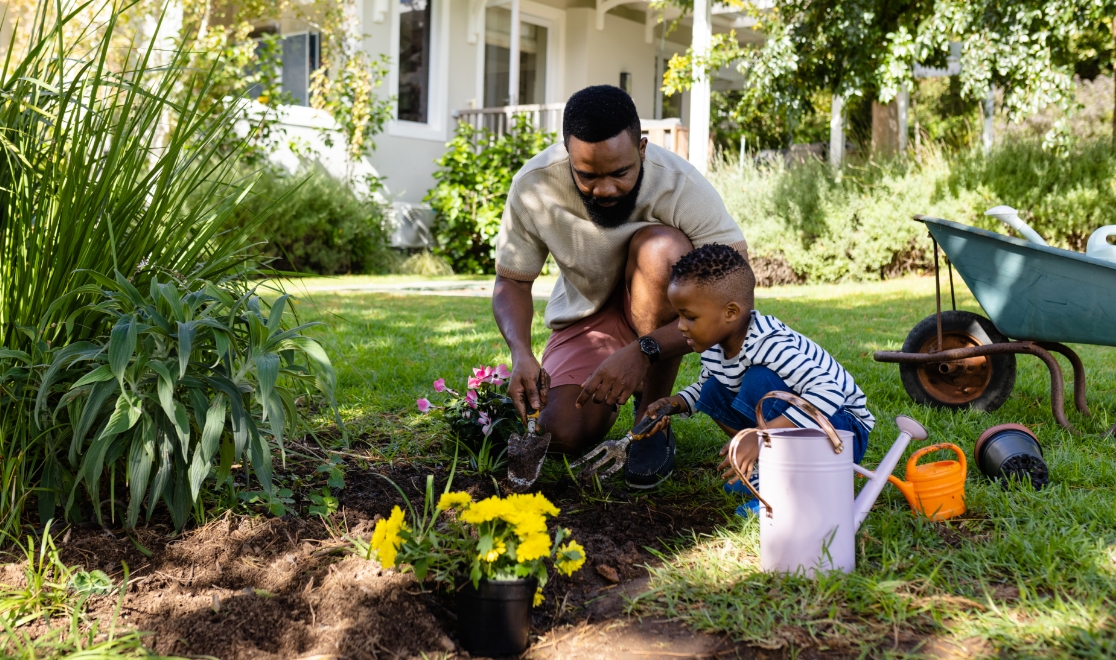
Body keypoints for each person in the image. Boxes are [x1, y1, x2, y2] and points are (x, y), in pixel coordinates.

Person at [492, 85, 748, 489]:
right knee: (563, 433)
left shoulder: (679, 183)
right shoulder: (535, 185)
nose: (605, 189)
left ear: (642, 150)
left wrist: (645, 350)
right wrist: (521, 353)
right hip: (587, 316)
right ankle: (609, 382)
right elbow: (512, 281)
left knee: (663, 248)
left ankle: (651, 419)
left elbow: (735, 288)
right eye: (588, 175)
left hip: (660, 300)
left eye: (620, 173)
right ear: (567, 155)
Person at [642, 244, 875, 515]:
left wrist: (762, 436)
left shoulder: (769, 343)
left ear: (730, 312)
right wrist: (676, 402)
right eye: (678, 316)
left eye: (690, 316)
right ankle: (772, 469)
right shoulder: (715, 348)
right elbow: (708, 386)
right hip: (807, 427)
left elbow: (828, 393)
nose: (680, 326)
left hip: (842, 430)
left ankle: (796, 488)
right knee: (712, 389)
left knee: (759, 379)